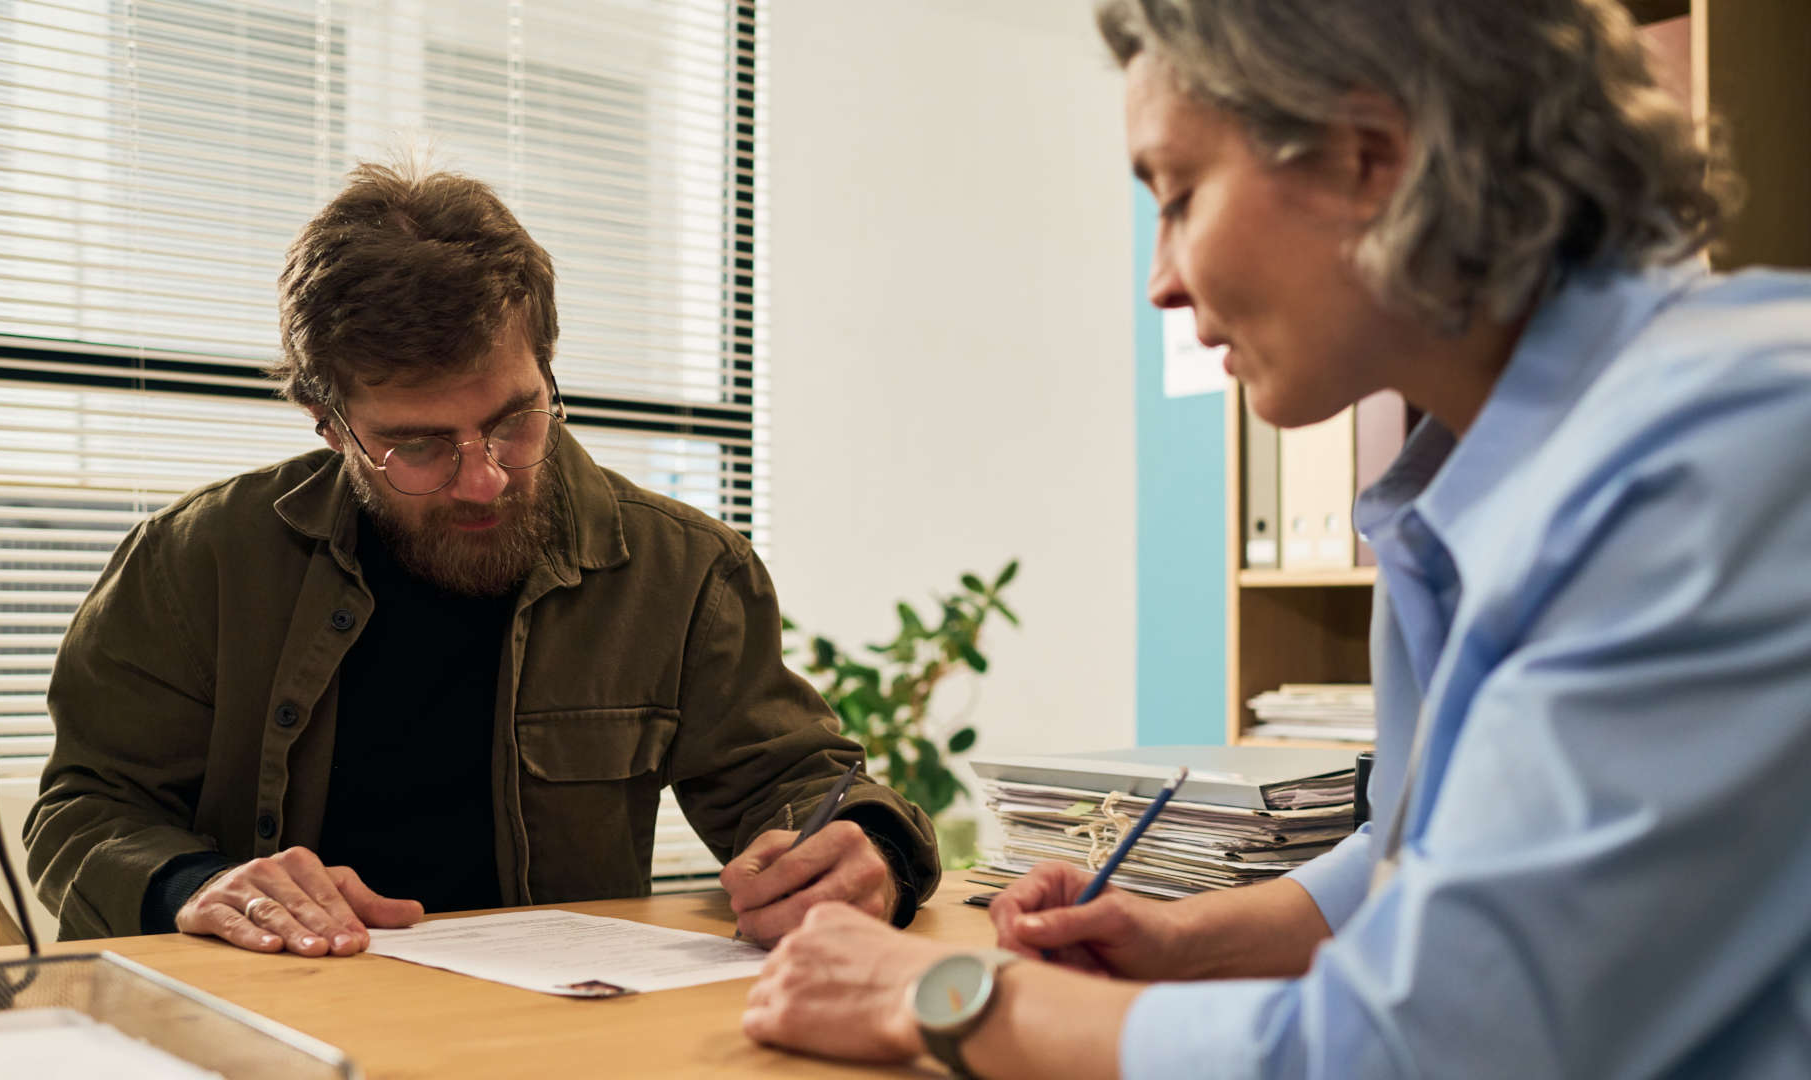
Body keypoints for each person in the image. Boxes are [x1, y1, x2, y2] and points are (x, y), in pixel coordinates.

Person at [742, 0, 1811, 1075]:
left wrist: (949, 997)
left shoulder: (1726, 453)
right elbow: (1446, 861)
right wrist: (1192, 942)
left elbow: (1425, 1050)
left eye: (1180, 194)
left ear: (1370, 159)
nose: (1161, 279)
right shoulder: (1458, 493)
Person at [24, 163, 939, 956]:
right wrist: (194, 883)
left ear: (548, 368)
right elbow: (82, 810)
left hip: (544, 1035)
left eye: (515, 420)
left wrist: (870, 849)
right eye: (419, 445)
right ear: (330, 425)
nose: (484, 480)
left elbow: (793, 779)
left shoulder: (681, 568)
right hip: (272, 1022)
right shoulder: (200, 561)